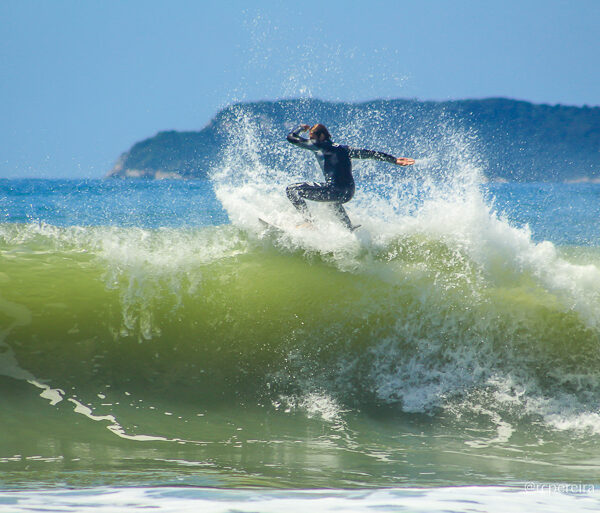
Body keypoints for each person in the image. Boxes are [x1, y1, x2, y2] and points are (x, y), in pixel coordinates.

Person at [286, 123, 414, 230]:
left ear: (322, 136)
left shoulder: (317, 145)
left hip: (333, 190)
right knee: (332, 202)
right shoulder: (345, 149)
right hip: (348, 193)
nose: (311, 140)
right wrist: (394, 160)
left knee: (292, 190)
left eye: (313, 137)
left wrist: (300, 128)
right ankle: (348, 228)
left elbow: (291, 137)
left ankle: (308, 221)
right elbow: (369, 153)